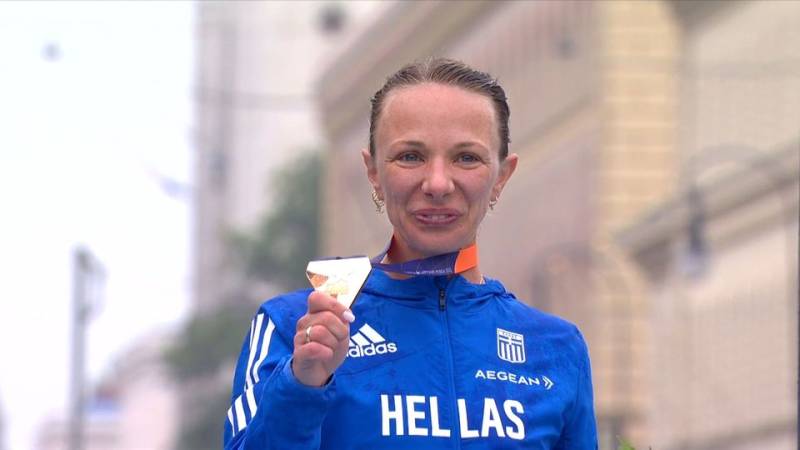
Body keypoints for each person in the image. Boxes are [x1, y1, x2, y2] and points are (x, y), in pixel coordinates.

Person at [223, 58, 598, 449]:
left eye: (466, 157)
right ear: (373, 171)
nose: (437, 183)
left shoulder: (556, 347)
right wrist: (302, 384)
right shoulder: (292, 325)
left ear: (501, 176)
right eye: (410, 156)